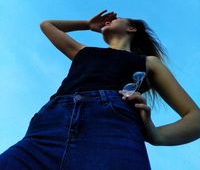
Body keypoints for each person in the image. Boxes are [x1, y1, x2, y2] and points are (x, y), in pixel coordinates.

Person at [0, 10, 200, 170]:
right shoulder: (83, 52)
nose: (109, 20)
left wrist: (157, 135)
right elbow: (47, 25)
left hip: (112, 132)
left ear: (131, 28)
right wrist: (87, 25)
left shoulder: (148, 62)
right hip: (48, 128)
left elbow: (195, 118)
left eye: (118, 18)